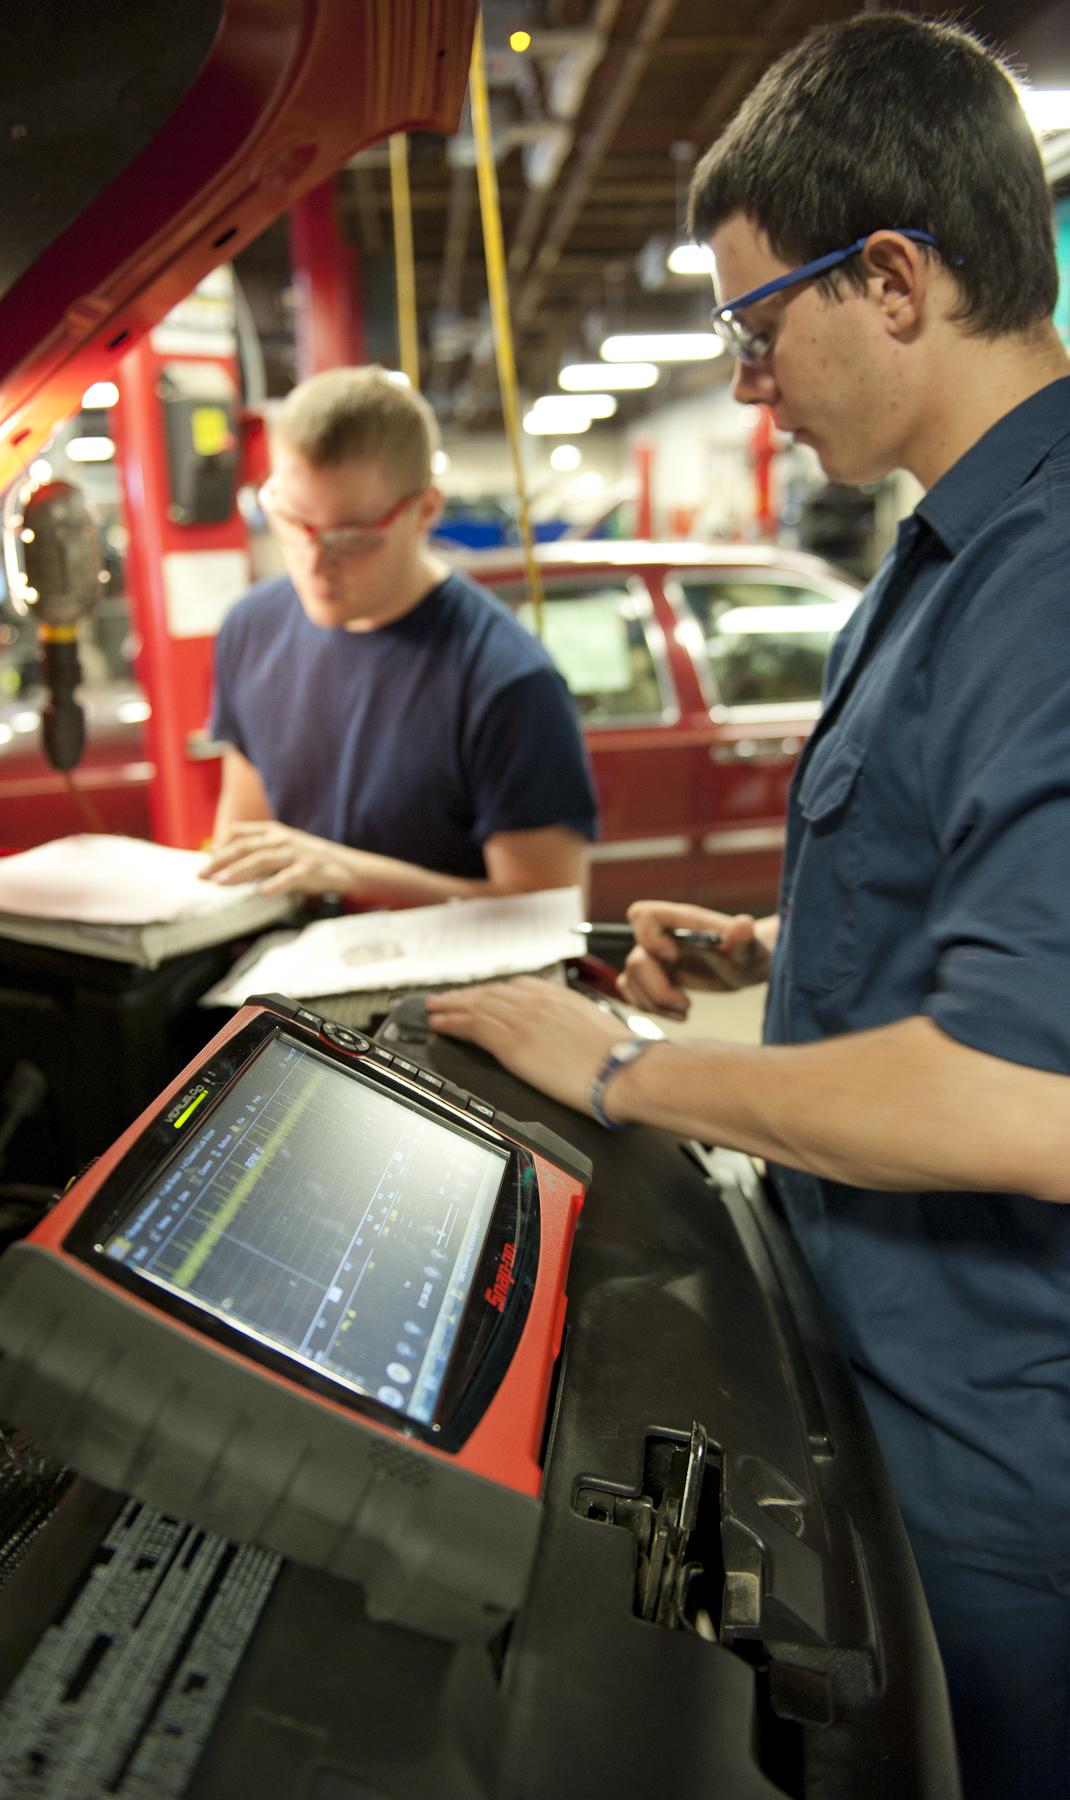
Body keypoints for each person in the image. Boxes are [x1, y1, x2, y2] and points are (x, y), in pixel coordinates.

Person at [427, 16, 1070, 1799]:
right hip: (878, 1383)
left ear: (888, 278)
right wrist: (783, 953)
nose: (741, 382)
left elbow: (1027, 1105)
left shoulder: (1046, 578)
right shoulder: (933, 562)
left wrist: (624, 1071)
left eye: (751, 321)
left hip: (997, 1470)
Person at [202, 366, 596, 904]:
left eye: (351, 538)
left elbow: (546, 907)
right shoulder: (250, 629)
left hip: (442, 983)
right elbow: (245, 843)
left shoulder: (508, 680)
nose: (314, 563)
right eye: (292, 523)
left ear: (425, 510)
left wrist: (351, 876)